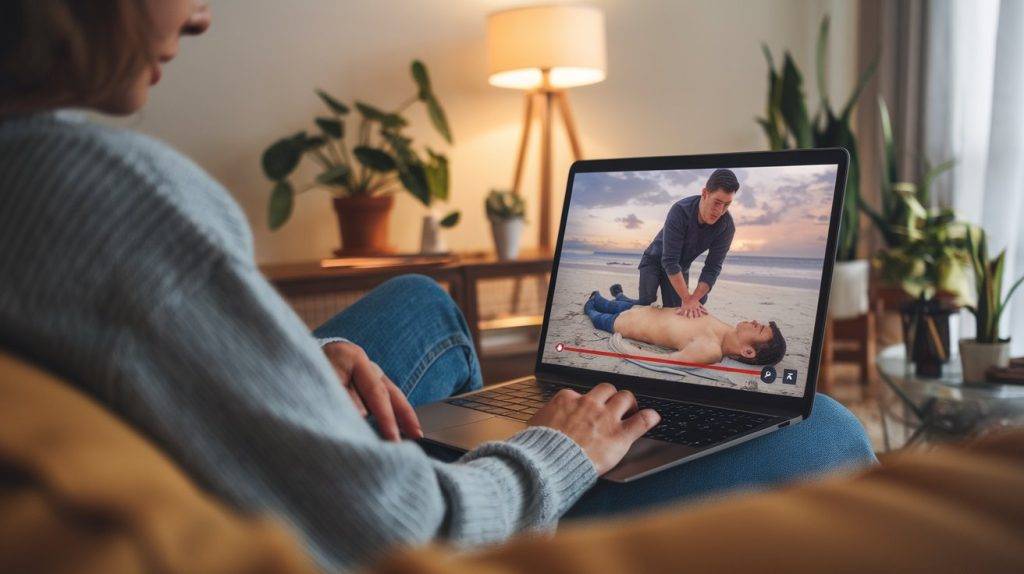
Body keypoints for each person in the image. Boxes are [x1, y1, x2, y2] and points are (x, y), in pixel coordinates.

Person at [0, 1, 875, 571]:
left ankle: (439, 402)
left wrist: (302, 358)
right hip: (407, 522)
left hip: (252, 449)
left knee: (424, 301)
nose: (199, 16)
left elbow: (705, 287)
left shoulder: (37, 175)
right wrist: (560, 449)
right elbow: (404, 531)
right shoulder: (108, 198)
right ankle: (512, 428)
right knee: (828, 429)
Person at [584, 291, 787, 366]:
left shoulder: (711, 350)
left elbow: (663, 361)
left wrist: (623, 346)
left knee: (597, 316)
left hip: (627, 325)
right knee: (609, 304)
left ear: (748, 351)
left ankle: (591, 305)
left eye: (758, 328)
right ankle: (606, 298)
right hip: (641, 310)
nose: (753, 321)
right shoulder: (727, 330)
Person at [637, 168, 738, 318]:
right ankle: (613, 299)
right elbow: (669, 260)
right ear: (705, 193)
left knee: (682, 310)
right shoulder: (680, 210)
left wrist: (693, 299)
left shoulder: (726, 227)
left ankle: (622, 296)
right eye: (717, 202)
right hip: (654, 260)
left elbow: (712, 268)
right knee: (645, 303)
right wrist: (687, 299)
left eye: (727, 205)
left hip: (680, 267)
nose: (720, 210)